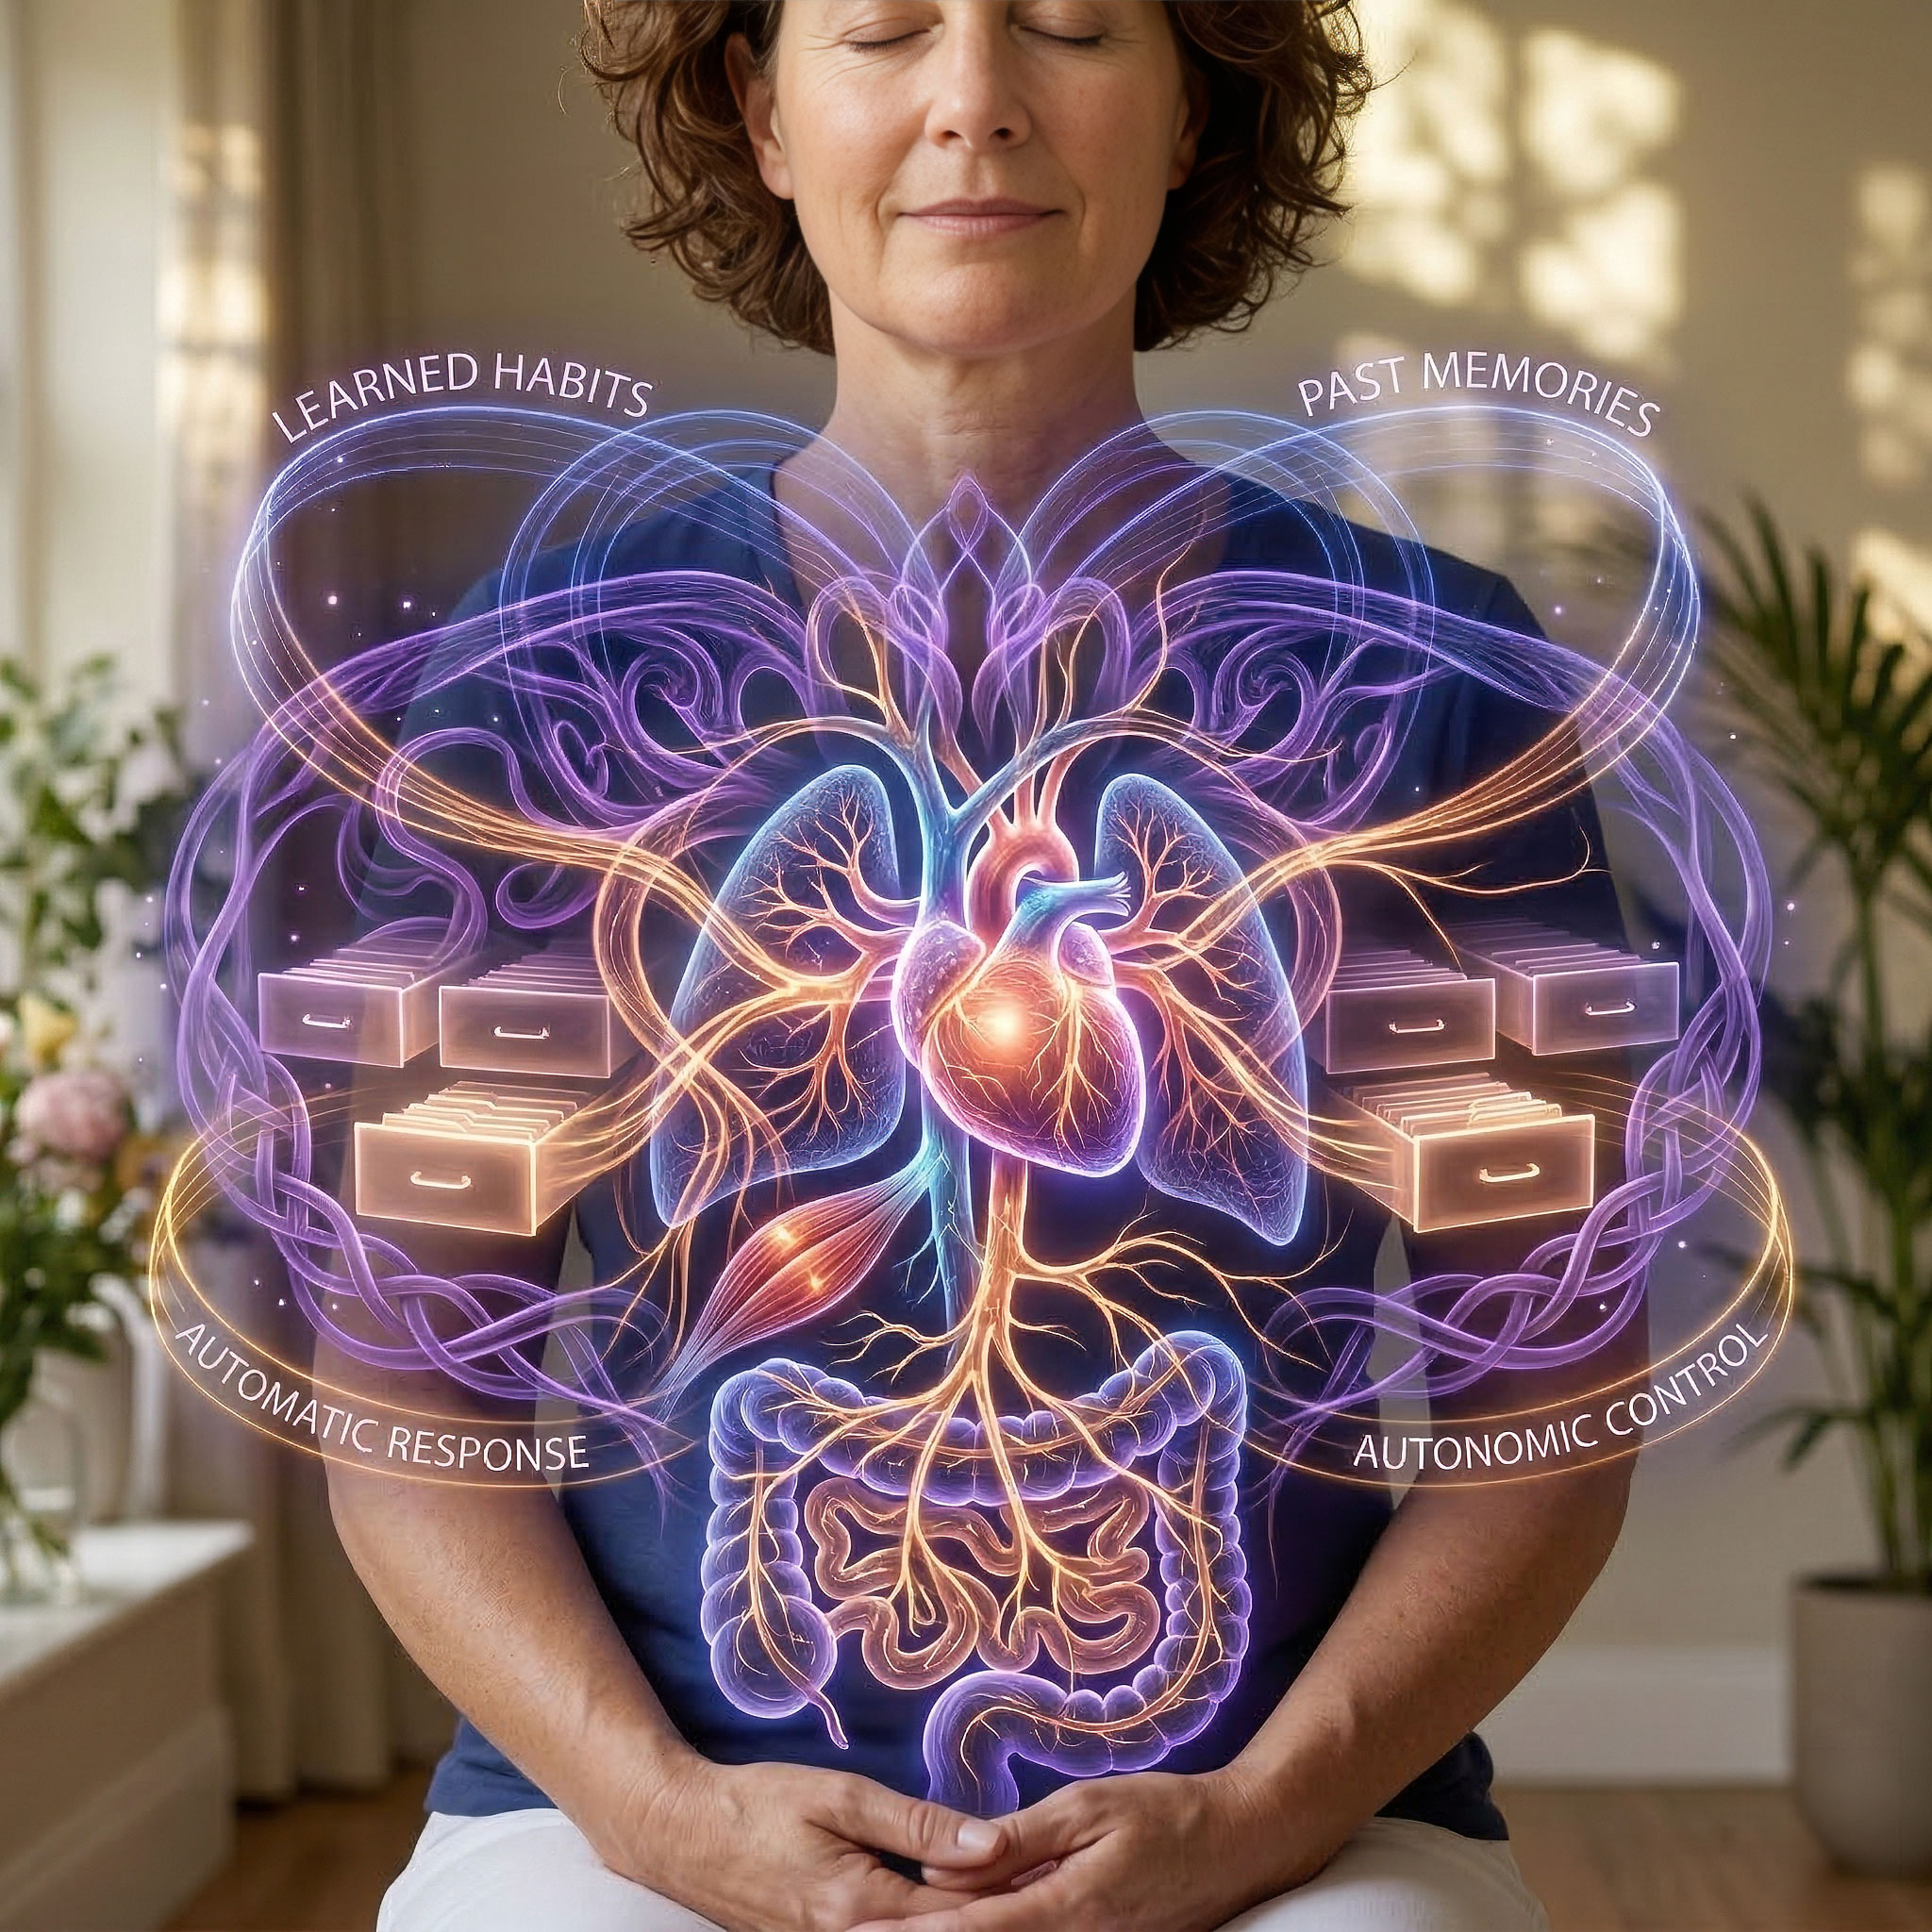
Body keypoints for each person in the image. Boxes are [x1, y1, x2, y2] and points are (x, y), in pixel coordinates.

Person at [340, 6, 1636, 1927]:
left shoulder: (1434, 687)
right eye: (879, 27)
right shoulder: (545, 685)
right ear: (762, 112)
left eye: (1071, 22)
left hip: (1296, 1824)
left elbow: (1549, 1394)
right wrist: (659, 1813)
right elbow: (404, 1393)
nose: (975, 100)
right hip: (628, 1806)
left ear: (1194, 105)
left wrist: (1267, 1812)